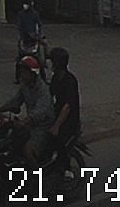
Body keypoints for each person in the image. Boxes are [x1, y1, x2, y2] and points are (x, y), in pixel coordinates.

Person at [0, 56, 54, 169]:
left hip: (42, 126)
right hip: (29, 124)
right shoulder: (25, 86)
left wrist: (25, 121)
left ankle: (37, 176)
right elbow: (16, 100)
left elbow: (40, 111)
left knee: (27, 151)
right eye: (21, 71)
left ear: (33, 73)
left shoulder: (43, 90)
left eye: (25, 72)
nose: (22, 74)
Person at [47, 47, 80, 177]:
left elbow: (67, 107)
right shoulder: (56, 78)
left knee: (58, 139)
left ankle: (66, 169)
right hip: (57, 113)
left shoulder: (70, 80)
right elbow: (49, 96)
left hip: (69, 120)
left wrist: (56, 126)